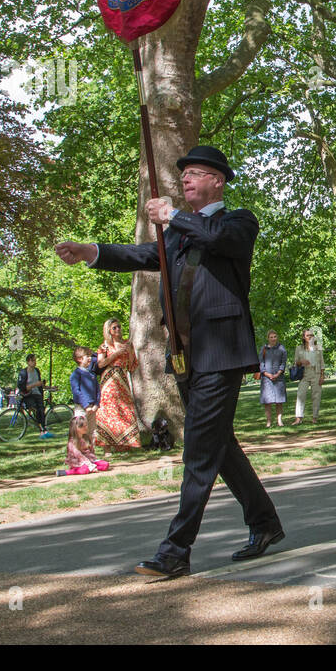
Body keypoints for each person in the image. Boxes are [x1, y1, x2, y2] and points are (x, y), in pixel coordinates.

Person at [56, 144, 284, 576]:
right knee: (219, 444)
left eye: (195, 173)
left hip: (222, 353)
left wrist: (172, 216)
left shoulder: (238, 221)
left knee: (198, 448)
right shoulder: (180, 232)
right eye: (184, 175)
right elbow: (144, 255)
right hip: (182, 354)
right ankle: (265, 522)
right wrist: (92, 252)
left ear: (218, 180)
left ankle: (176, 550)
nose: (186, 180)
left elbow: (215, 239)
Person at [96, 318, 144, 450]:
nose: (118, 329)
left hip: (122, 378)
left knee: (125, 409)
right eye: (114, 328)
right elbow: (100, 364)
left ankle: (125, 444)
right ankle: (106, 447)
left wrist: (128, 354)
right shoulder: (104, 346)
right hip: (109, 379)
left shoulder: (128, 344)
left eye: (119, 327)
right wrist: (115, 354)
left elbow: (132, 366)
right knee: (108, 411)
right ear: (109, 331)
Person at [70, 346, 101, 442]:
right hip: (81, 408)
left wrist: (96, 404)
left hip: (92, 408)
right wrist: (86, 405)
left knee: (92, 432)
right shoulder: (76, 374)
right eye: (87, 356)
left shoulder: (91, 374)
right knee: (80, 431)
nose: (90, 358)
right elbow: (76, 392)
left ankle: (91, 453)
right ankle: (79, 453)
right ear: (79, 359)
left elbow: (98, 390)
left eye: (90, 355)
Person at [293, 330, 324, 425]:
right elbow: (296, 362)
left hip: (316, 373)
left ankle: (315, 417)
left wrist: (322, 376)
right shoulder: (299, 348)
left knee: (316, 395)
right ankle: (298, 418)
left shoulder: (318, 348)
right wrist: (301, 361)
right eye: (307, 335)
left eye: (311, 335)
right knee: (300, 394)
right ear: (303, 337)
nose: (310, 337)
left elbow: (322, 362)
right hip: (304, 374)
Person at [18, 354, 51, 438]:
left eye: (35, 360)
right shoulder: (23, 373)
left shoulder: (37, 370)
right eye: (33, 360)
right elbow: (22, 387)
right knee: (36, 409)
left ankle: (43, 430)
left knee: (41, 410)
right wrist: (34, 385)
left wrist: (48, 387)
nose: (34, 362)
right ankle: (42, 429)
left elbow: (40, 383)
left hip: (38, 393)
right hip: (28, 394)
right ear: (28, 362)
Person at [259, 330, 288, 427]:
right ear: (268, 338)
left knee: (279, 401)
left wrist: (278, 374)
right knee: (268, 401)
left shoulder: (282, 348)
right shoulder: (263, 349)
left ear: (277, 337)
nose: (273, 339)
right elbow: (261, 364)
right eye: (271, 337)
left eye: (275, 336)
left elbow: (283, 363)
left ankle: (280, 421)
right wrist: (267, 374)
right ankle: (268, 422)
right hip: (266, 378)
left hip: (279, 378)